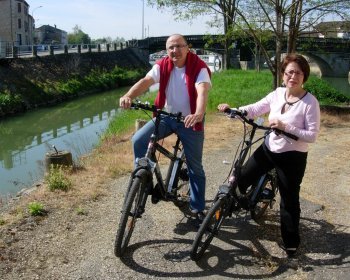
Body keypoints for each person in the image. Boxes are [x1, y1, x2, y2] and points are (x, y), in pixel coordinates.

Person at [218, 53, 320, 257]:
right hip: (269, 148)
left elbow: (311, 136)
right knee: (241, 178)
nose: (293, 76)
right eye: (290, 72)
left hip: (293, 156)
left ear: (304, 77)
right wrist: (234, 111)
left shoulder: (310, 103)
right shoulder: (277, 93)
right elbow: (256, 108)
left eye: (298, 73)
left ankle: (291, 244)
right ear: (283, 74)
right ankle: (225, 211)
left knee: (289, 200)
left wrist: (286, 126)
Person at [119, 34, 211, 223]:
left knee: (195, 168)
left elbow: (202, 90)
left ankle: (198, 207)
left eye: (179, 46)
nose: (174, 51)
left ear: (188, 48)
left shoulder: (199, 67)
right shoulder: (162, 65)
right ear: (166, 50)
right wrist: (129, 95)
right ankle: (144, 181)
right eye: (170, 47)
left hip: (190, 121)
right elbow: (146, 81)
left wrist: (199, 113)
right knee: (139, 140)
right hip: (167, 117)